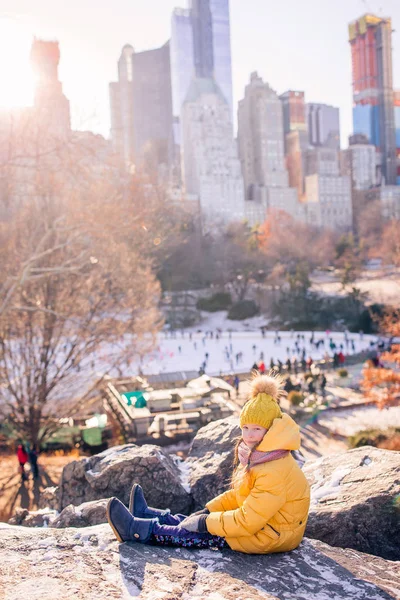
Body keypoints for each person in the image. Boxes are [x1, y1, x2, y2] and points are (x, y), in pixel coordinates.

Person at [106, 374, 311, 554]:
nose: (248, 435)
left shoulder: (272, 469)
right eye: (245, 427)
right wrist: (208, 511)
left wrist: (206, 523)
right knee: (198, 521)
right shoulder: (261, 455)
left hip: (269, 536)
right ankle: (148, 515)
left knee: (201, 534)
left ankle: (138, 530)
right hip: (264, 525)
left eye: (256, 429)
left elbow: (248, 521)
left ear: (270, 431)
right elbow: (240, 495)